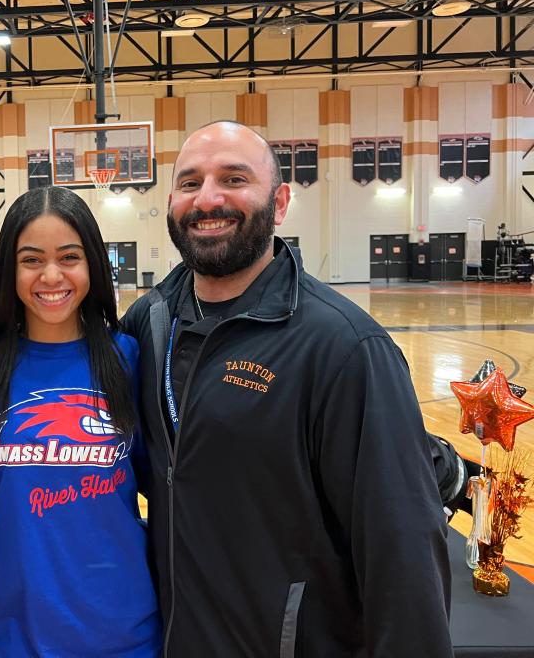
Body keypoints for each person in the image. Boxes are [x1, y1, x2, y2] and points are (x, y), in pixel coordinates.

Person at [120, 121, 453, 657]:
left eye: (233, 179)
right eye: (190, 183)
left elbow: (403, 551)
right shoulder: (149, 321)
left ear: (278, 203)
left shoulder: (343, 346)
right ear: (171, 203)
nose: (208, 198)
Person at [0, 186, 162, 657]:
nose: (51, 275)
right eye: (31, 259)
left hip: (123, 626)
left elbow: (160, 480)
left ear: (92, 262)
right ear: (10, 270)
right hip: (14, 627)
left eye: (69, 257)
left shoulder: (129, 358)